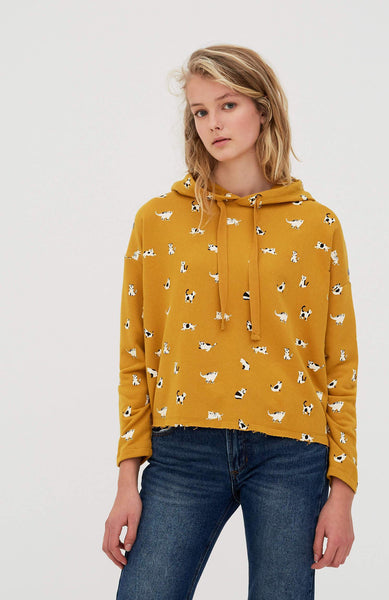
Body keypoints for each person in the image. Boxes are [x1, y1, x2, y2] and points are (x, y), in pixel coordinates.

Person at [103, 44, 359, 599]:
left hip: (291, 452)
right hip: (183, 450)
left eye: (228, 105)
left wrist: (341, 491)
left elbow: (340, 364)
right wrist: (127, 480)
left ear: (262, 109)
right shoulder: (158, 220)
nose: (213, 123)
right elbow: (135, 354)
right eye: (200, 111)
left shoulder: (318, 226)